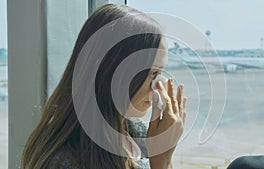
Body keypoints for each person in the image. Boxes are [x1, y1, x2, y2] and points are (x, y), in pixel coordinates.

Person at [21, 3, 187, 169]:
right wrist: (161, 160)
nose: (159, 86)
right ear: (107, 70)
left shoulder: (135, 133)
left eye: (160, 73)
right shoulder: (63, 161)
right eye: (152, 73)